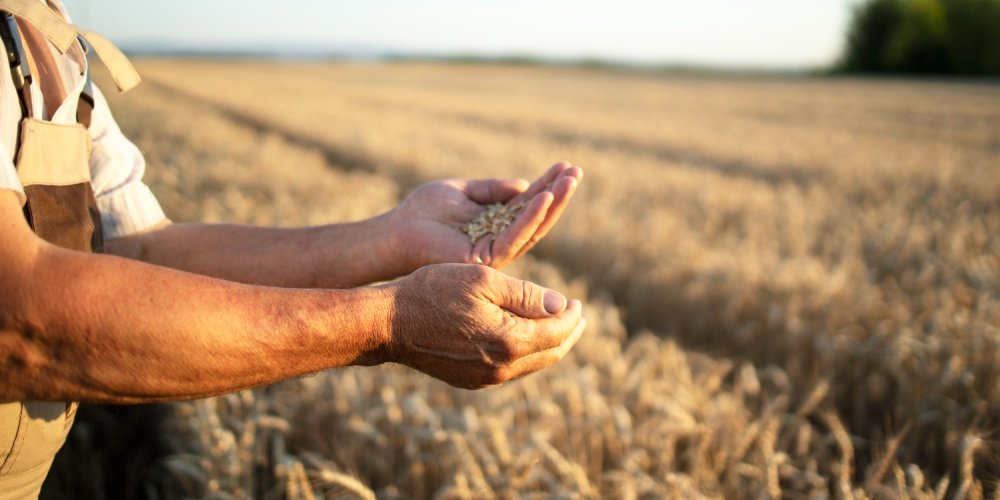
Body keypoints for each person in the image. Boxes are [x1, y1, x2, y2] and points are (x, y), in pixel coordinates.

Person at [0, 0, 586, 497]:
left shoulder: (46, 29)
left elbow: (136, 248)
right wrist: (388, 322)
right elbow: (18, 317)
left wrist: (391, 236)